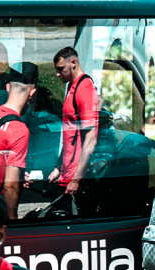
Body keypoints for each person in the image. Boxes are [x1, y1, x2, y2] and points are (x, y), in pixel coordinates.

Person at [49, 47, 99, 195]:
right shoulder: (73, 85)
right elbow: (70, 133)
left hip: (76, 178)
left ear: (73, 63)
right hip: (67, 172)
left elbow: (90, 139)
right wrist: (58, 167)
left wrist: (76, 180)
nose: (57, 74)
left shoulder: (84, 88)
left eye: (61, 69)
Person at [0, 67, 37, 219]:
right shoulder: (19, 130)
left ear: (8, 87)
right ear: (32, 93)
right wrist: (12, 221)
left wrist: (19, 173)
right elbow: (10, 187)